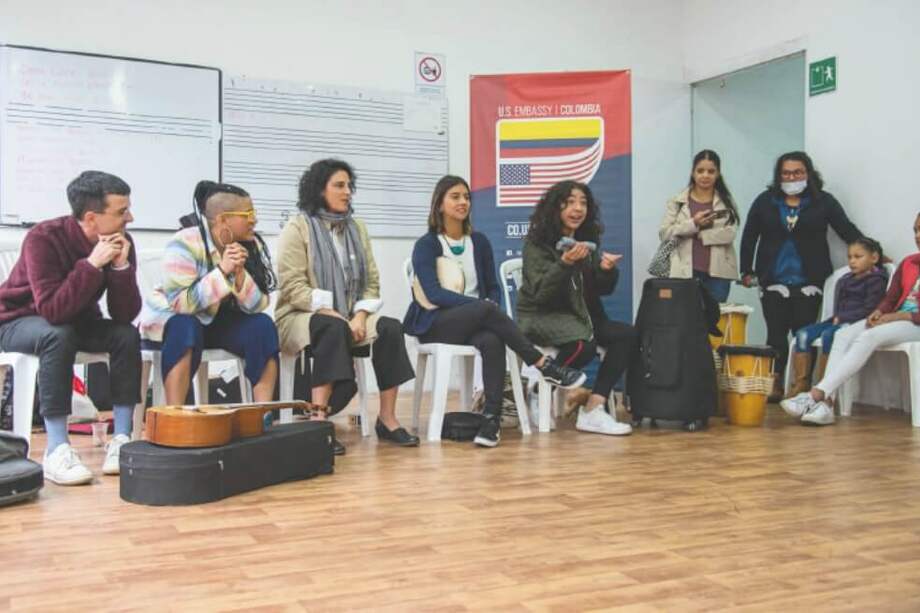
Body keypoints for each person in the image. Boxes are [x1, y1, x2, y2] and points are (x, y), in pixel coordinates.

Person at [404, 175, 586, 448]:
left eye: (466, 197)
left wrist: (488, 304)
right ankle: (542, 364)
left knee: (492, 339)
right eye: (455, 197)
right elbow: (434, 294)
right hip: (436, 321)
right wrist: (481, 306)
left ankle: (491, 421)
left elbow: (492, 287)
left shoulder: (479, 242)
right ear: (439, 204)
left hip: (476, 321)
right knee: (486, 311)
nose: (463, 202)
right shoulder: (427, 244)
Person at [0, 171, 141, 484]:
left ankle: (122, 438)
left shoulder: (121, 241)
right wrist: (91, 265)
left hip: (75, 320)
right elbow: (53, 310)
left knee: (126, 335)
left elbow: (124, 315)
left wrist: (120, 268)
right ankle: (57, 449)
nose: (129, 218)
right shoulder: (43, 238)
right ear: (91, 218)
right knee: (57, 334)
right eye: (122, 212)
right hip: (15, 320)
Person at [275, 159, 418, 451]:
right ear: (320, 189)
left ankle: (387, 419)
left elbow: (371, 282)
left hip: (350, 315)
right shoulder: (297, 227)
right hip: (300, 316)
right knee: (331, 327)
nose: (347, 192)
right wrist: (337, 315)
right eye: (339, 186)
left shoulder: (357, 228)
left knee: (391, 328)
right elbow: (292, 287)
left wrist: (361, 315)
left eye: (349, 186)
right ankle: (319, 423)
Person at [740, 151, 867, 401]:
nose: (792, 177)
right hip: (772, 279)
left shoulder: (824, 201)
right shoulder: (765, 201)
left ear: (808, 173)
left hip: (810, 281)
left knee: (803, 332)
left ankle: (802, 385)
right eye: (786, 173)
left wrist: (873, 253)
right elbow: (749, 236)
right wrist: (747, 270)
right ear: (779, 176)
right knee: (775, 334)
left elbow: (846, 229)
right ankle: (775, 383)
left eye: (797, 172)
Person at [140, 181, 279, 408]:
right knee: (185, 327)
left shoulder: (248, 244)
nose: (254, 220)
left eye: (254, 214)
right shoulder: (185, 242)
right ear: (222, 220)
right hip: (172, 321)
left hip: (215, 321)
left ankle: (262, 413)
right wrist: (222, 271)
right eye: (247, 215)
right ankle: (175, 415)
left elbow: (258, 305)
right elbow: (181, 304)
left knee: (262, 325)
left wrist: (240, 275)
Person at [516, 180, 635, 436]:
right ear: (555, 208)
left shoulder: (585, 240)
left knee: (626, 335)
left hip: (581, 315)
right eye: (569, 202)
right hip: (542, 315)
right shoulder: (536, 244)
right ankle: (538, 392)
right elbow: (541, 294)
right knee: (584, 345)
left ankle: (593, 408)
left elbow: (599, 289)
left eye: (583, 203)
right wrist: (565, 263)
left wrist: (606, 270)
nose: (577, 208)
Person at [781, 214, 920, 425]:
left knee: (868, 336)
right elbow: (891, 298)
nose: (917, 235)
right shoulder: (909, 263)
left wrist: (901, 315)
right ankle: (827, 406)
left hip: (914, 322)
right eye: (915, 230)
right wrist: (879, 311)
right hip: (896, 320)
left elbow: (901, 312)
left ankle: (816, 395)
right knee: (843, 334)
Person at [785, 237, 887, 397]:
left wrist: (843, 317)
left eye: (858, 257)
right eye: (850, 257)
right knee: (802, 334)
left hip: (856, 323)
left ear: (874, 258)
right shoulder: (844, 280)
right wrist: (838, 317)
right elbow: (838, 308)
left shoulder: (877, 280)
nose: (852, 261)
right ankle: (801, 385)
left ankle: (823, 387)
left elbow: (870, 309)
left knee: (829, 335)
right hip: (837, 320)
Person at [659, 149, 741, 302]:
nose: (705, 175)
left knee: (714, 316)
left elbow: (730, 233)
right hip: (684, 272)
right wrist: (693, 223)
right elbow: (665, 233)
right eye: (700, 171)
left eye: (711, 171)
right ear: (693, 173)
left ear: (718, 174)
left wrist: (702, 235)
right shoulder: (677, 201)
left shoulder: (726, 201)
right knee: (685, 315)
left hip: (718, 276)